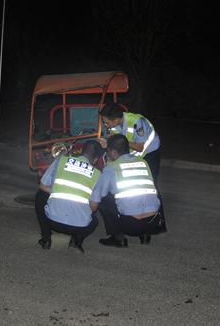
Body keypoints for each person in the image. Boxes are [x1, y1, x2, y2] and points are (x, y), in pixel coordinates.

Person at [98, 102, 167, 232]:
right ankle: (137, 212)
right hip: (133, 154)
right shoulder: (116, 125)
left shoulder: (137, 121)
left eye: (106, 122)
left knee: (150, 185)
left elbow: (140, 146)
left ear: (116, 119)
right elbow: (115, 140)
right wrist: (107, 142)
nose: (105, 125)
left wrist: (121, 140)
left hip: (149, 153)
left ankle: (159, 222)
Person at [90, 134, 162, 247]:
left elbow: (97, 197)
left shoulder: (112, 167)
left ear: (113, 152)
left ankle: (118, 238)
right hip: (154, 222)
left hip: (131, 225)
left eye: (107, 151)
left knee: (103, 197)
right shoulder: (143, 162)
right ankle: (145, 236)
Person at [34, 140, 103, 253]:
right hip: (78, 227)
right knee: (94, 221)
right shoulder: (98, 175)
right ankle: (76, 242)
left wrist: (58, 192)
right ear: (95, 159)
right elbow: (94, 208)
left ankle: (46, 239)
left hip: (52, 221)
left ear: (81, 151)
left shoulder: (61, 160)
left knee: (40, 196)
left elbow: (43, 186)